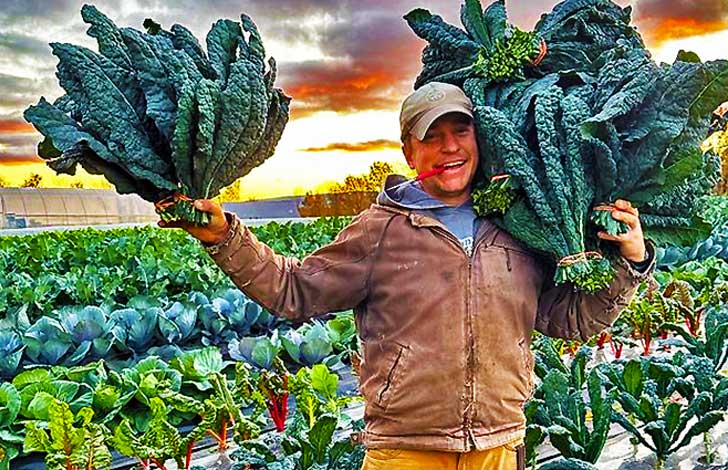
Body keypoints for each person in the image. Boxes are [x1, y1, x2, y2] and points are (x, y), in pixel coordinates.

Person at [159, 82, 655, 470]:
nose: (450, 148)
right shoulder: (381, 229)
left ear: (478, 140)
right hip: (405, 449)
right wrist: (224, 235)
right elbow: (295, 290)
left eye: (460, 132)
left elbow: (568, 319)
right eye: (432, 137)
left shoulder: (519, 225)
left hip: (499, 443)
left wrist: (628, 261)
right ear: (409, 150)